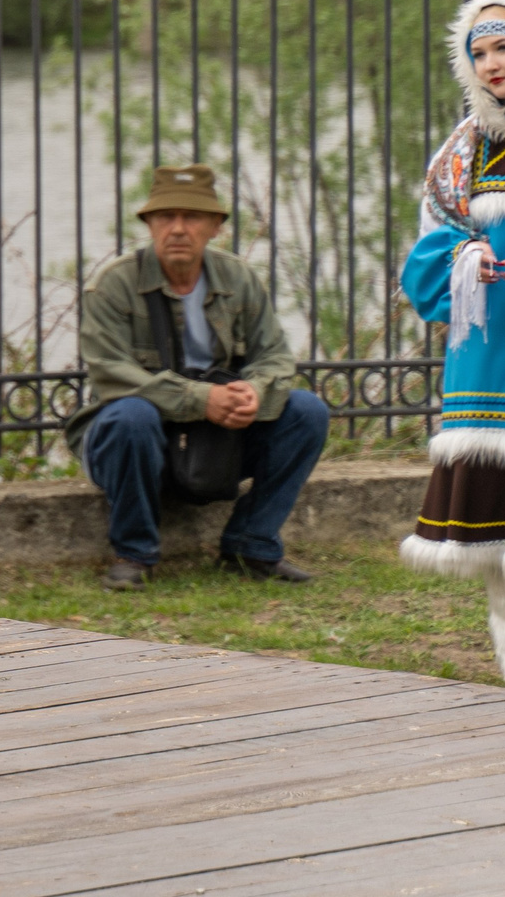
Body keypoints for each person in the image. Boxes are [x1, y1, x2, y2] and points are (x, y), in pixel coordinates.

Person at [68, 164, 327, 591]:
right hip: (133, 441)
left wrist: (253, 393)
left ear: (215, 227)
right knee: (131, 415)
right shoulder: (113, 286)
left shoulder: (238, 278)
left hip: (216, 439)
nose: (178, 229)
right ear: (149, 224)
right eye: (166, 217)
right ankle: (133, 554)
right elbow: (111, 372)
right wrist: (200, 398)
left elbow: (276, 357)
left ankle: (252, 544)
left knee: (306, 410)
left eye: (192, 218)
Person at [400, 0, 505, 692]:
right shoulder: (462, 150)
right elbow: (423, 259)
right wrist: (461, 258)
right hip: (488, 356)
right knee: (502, 535)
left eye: (504, 45)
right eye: (477, 52)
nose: (491, 63)